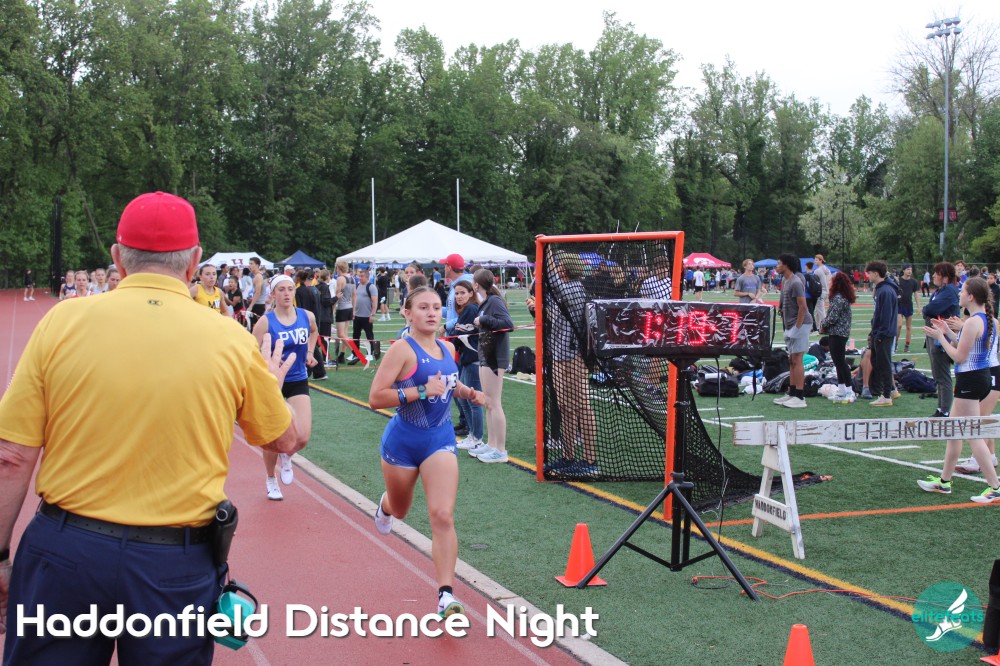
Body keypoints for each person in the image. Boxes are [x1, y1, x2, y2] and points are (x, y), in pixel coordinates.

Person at [0, 191, 301, 664]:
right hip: (174, 563)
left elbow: (12, 456)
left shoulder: (62, 322)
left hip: (67, 551)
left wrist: (1, 557)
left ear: (118, 258)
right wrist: (274, 387)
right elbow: (285, 439)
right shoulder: (229, 337)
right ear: (195, 261)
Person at [367, 286, 486, 617]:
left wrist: (469, 393)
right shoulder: (401, 351)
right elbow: (375, 397)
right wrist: (420, 390)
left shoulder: (447, 346)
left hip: (440, 440)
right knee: (400, 509)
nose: (432, 313)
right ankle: (386, 506)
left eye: (436, 307)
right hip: (403, 443)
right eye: (423, 307)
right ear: (408, 313)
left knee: (443, 515)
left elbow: (449, 384)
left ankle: (446, 595)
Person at [919, 277, 1000, 503]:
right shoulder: (985, 319)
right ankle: (944, 482)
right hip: (976, 378)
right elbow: (969, 345)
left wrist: (940, 338)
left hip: (971, 380)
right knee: (954, 431)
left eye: (962, 291)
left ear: (971, 296)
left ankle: (995, 487)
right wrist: (949, 332)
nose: (959, 294)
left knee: (972, 433)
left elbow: (959, 356)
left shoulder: (974, 321)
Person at [252, 274, 317, 500]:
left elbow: (314, 331)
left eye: (290, 289)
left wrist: (310, 352)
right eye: (281, 289)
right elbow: (250, 349)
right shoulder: (266, 321)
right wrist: (266, 362)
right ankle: (271, 479)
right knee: (272, 437)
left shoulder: (306, 316)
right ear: (273, 294)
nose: (287, 293)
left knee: (303, 436)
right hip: (273, 383)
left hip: (298, 378)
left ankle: (287, 455)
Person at [544, 252, 598, 477]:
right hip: (559, 355)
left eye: (559, 266)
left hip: (574, 356)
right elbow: (557, 320)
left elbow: (553, 280)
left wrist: (546, 250)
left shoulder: (574, 288)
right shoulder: (566, 290)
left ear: (565, 269)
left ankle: (590, 461)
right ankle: (568, 457)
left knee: (582, 406)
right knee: (565, 407)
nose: (556, 269)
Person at [466, 269, 513, 463]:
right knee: (488, 402)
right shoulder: (486, 302)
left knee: (494, 402)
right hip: (486, 354)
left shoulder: (494, 301)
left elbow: (508, 323)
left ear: (477, 284)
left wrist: (483, 320)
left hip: (494, 356)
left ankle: (500, 450)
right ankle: (492, 444)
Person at [923, 262, 962, 417]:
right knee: (938, 375)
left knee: (942, 375)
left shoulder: (949, 291)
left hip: (942, 338)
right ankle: (941, 408)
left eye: (937, 273)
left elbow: (930, 309)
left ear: (945, 277)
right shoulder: (942, 290)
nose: (933, 276)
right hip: (936, 335)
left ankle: (944, 410)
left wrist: (927, 310)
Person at [773, 254, 812, 409]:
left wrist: (797, 327)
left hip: (799, 324)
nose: (777, 266)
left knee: (797, 359)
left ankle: (800, 396)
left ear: (786, 265)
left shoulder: (796, 282)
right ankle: (792, 392)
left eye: (779, 263)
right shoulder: (785, 280)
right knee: (791, 359)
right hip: (790, 324)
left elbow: (803, 307)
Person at [451, 280, 485, 451]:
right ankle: (472, 435)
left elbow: (457, 335)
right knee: (463, 399)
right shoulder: (466, 309)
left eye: (462, 292)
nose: (459, 296)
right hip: (467, 358)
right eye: (456, 293)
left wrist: (446, 347)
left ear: (471, 293)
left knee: (473, 400)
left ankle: (477, 438)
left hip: (473, 359)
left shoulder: (471, 309)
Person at [866, 261, 899, 407]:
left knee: (883, 364)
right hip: (880, 332)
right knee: (879, 362)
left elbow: (885, 316)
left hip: (884, 333)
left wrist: (879, 334)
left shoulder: (885, 291)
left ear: (875, 273)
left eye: (869, 273)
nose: (867, 276)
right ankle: (890, 390)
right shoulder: (882, 289)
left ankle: (886, 395)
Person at [820, 271, 856, 402]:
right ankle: (841, 390)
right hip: (839, 332)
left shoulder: (838, 298)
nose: (829, 282)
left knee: (840, 362)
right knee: (838, 362)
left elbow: (832, 317)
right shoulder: (842, 297)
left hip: (838, 333)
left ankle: (849, 390)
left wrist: (822, 324)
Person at [350, 267, 379, 365]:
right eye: (359, 276)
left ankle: (370, 353)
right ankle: (355, 353)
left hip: (367, 316)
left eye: (362, 276)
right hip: (357, 316)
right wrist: (353, 312)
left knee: (369, 335)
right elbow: (354, 300)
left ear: (367, 277)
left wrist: (372, 314)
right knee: (355, 335)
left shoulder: (371, 287)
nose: (360, 278)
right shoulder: (357, 286)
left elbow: (375, 302)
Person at [896, 265, 921, 353]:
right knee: (899, 325)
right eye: (908, 269)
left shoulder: (914, 282)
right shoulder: (898, 280)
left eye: (911, 269)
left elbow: (916, 294)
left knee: (909, 327)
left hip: (908, 305)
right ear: (903, 270)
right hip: (899, 305)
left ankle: (907, 345)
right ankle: (895, 343)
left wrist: (918, 307)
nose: (910, 271)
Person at [245, 256, 268, 327]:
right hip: (258, 303)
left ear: (257, 265)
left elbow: (258, 292)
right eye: (249, 264)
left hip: (258, 305)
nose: (250, 266)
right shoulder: (257, 276)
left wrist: (251, 306)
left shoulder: (258, 276)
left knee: (253, 326)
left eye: (252, 264)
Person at [813, 255, 832, 326]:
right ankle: (818, 326)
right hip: (826, 291)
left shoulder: (818, 270)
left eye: (816, 260)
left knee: (820, 310)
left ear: (821, 260)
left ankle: (825, 326)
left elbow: (819, 283)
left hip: (821, 291)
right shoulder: (826, 269)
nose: (815, 261)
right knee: (818, 310)